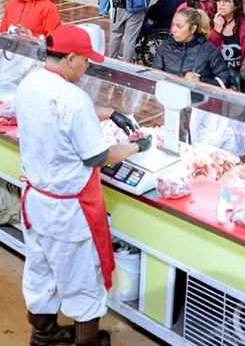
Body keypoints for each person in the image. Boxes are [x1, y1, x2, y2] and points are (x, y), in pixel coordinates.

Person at [16, 25, 150, 346]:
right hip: (68, 211)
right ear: (71, 58)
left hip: (35, 201)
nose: (88, 66)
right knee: (82, 283)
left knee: (40, 271)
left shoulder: (30, 82)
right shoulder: (74, 98)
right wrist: (136, 147)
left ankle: (44, 335)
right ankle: (87, 342)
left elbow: (60, 115)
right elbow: (98, 156)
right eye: (86, 61)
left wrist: (111, 113)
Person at [153, 8, 232, 87]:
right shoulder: (165, 46)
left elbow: (224, 79)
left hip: (196, 97)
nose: (173, 30)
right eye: (173, 25)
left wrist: (201, 82)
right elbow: (155, 73)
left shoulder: (208, 50)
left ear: (193, 29)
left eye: (179, 26)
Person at [210, 0, 245, 90]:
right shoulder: (210, 23)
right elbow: (207, 53)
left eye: (226, 1)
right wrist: (216, 31)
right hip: (215, 78)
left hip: (239, 79)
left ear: (236, 5)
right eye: (219, 0)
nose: (221, 5)